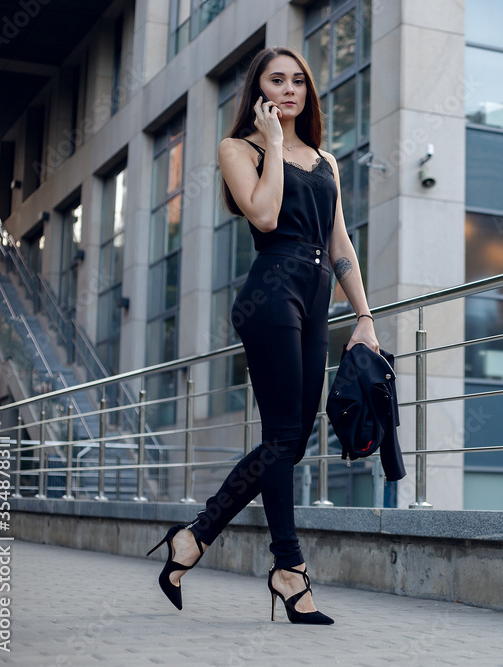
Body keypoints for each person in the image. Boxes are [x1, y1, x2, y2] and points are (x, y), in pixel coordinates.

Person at [145, 46, 378, 625]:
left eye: (299, 80)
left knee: (292, 442)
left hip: (317, 298)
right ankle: (289, 569)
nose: (291, 90)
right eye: (278, 80)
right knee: (282, 434)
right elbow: (266, 215)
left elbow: (342, 243)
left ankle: (194, 538)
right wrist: (273, 145)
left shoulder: (326, 160)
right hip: (270, 294)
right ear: (258, 90)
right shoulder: (237, 149)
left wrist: (365, 317)